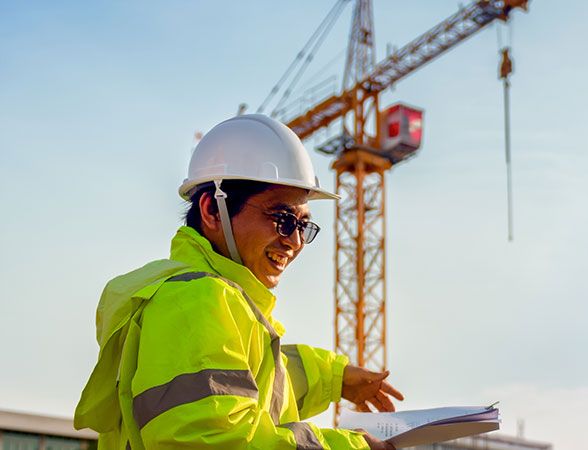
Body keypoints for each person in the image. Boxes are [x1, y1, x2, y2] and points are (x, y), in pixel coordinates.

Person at [75, 114, 404, 450]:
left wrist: (334, 377)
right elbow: (217, 438)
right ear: (212, 211)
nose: (295, 242)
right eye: (282, 219)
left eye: (304, 225)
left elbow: (250, 382)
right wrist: (355, 447)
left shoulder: (219, 300)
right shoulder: (196, 299)